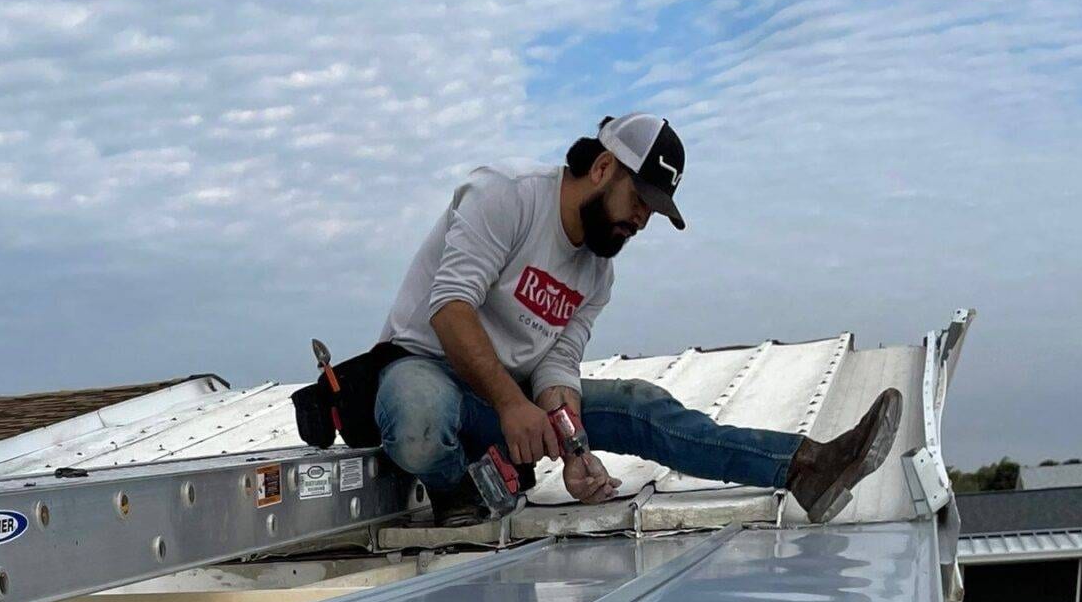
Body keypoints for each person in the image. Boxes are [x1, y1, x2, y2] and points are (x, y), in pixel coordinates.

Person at [375, 113, 901, 524]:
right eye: (640, 199)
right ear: (603, 169)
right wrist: (512, 405)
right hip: (428, 369)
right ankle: (457, 492)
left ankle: (806, 468)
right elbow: (450, 306)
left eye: (655, 209)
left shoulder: (597, 274)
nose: (642, 220)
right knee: (419, 422)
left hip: (511, 405)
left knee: (640, 406)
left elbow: (556, 363)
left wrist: (574, 449)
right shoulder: (506, 195)